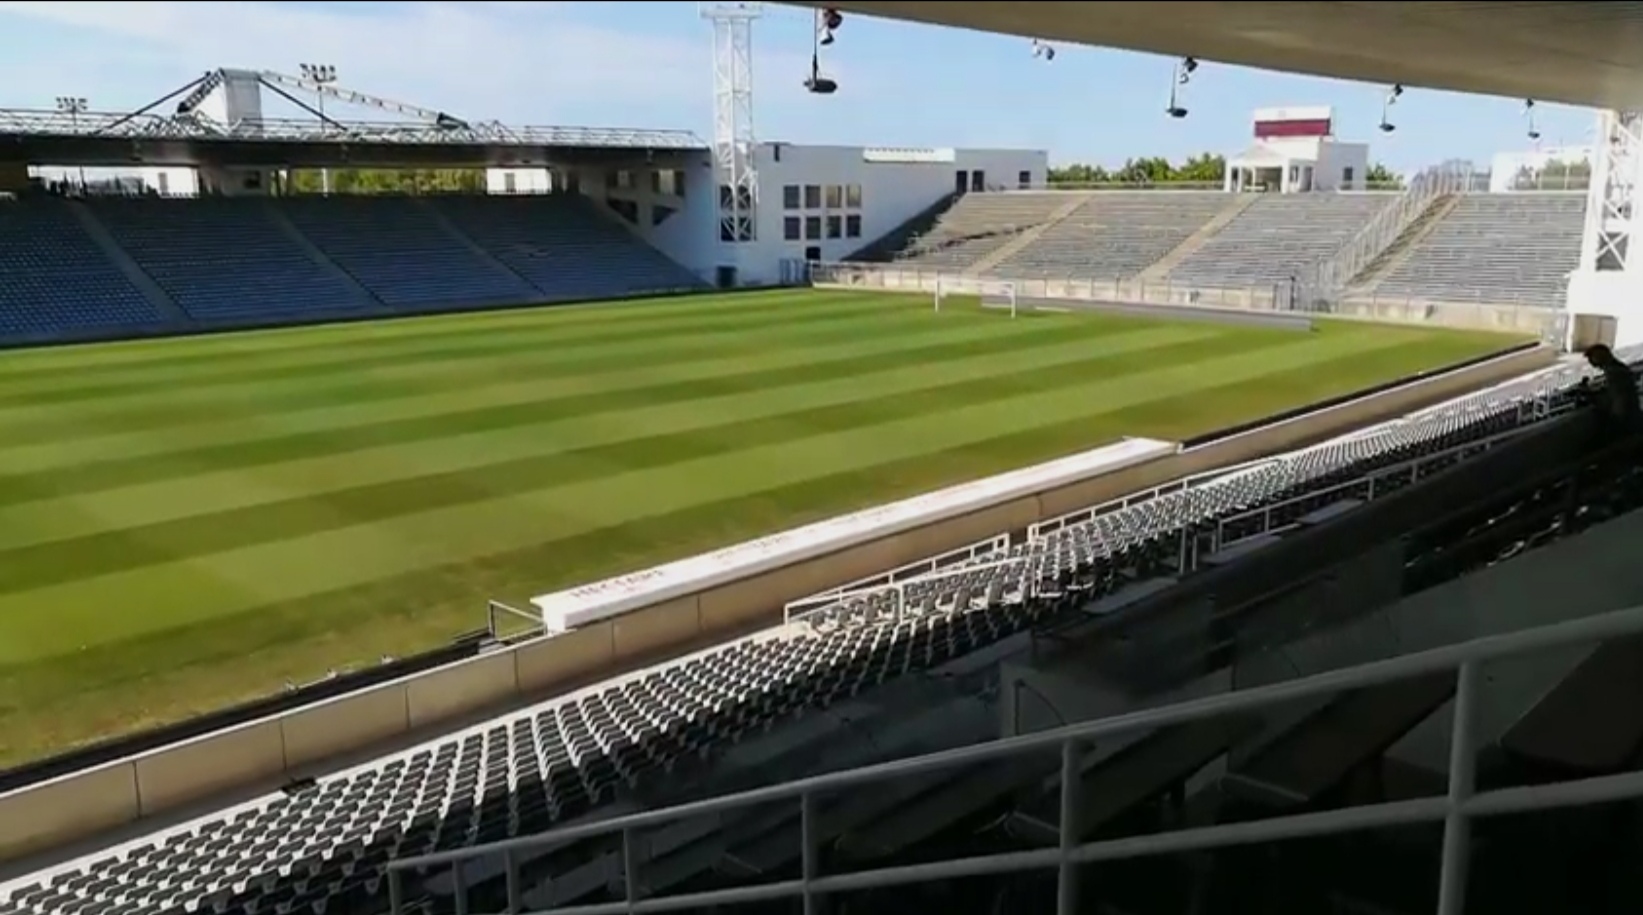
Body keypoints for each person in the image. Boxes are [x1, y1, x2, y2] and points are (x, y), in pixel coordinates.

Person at [1584, 344, 1642, 438]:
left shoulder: (1614, 372)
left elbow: (1617, 397)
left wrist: (1593, 396)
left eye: (1592, 358)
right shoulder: (1617, 369)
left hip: (1623, 418)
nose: (1590, 362)